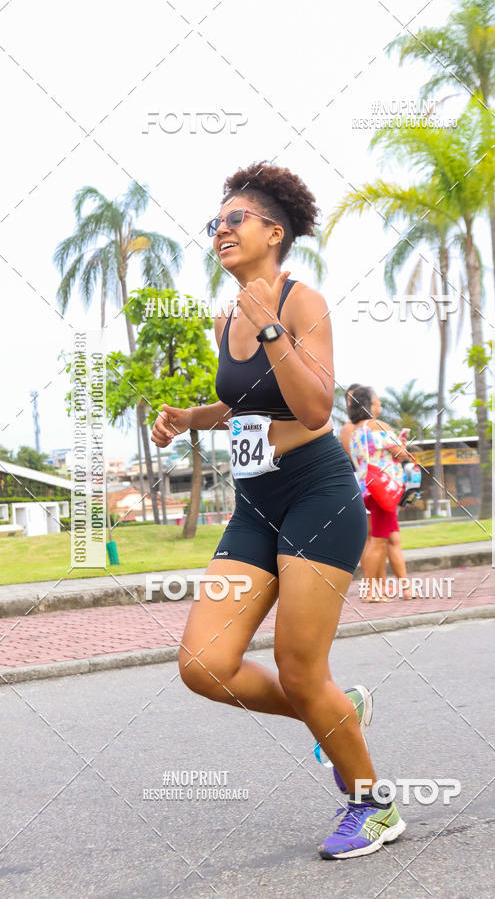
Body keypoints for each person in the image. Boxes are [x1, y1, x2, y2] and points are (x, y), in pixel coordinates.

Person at [151, 162, 406, 859]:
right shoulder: (222, 314)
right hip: (255, 507)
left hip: (319, 496)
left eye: (236, 219)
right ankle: (336, 714)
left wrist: (272, 330)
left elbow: (317, 405)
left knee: (299, 668)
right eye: (217, 222)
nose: (222, 230)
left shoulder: (302, 303)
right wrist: (189, 418)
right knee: (204, 664)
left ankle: (372, 806)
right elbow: (246, 405)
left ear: (273, 230)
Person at [348, 386, 414, 601]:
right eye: (377, 401)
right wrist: (403, 443)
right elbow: (401, 454)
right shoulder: (379, 426)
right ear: (369, 405)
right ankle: (370, 591)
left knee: (388, 537)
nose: (380, 404)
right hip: (383, 490)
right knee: (378, 541)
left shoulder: (355, 431)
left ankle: (403, 588)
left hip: (367, 489)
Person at [339, 384, 370, 572]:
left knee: (382, 537)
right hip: (360, 481)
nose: (353, 403)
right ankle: (371, 583)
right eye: (350, 399)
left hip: (370, 481)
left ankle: (379, 582)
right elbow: (356, 458)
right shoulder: (349, 428)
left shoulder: (368, 427)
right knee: (369, 536)